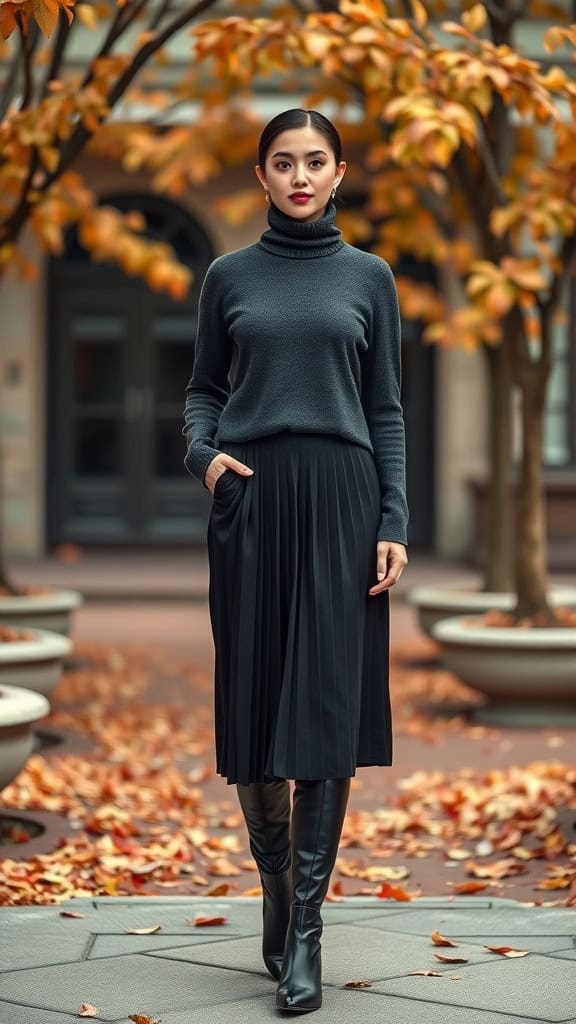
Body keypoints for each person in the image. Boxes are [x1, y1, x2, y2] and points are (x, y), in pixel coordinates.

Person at [182, 108, 409, 1014]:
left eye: (316, 161)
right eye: (285, 163)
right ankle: (273, 892)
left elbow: (385, 408)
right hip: (252, 500)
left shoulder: (371, 279)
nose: (301, 176)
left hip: (344, 503)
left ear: (340, 172)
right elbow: (202, 389)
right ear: (263, 176)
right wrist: (205, 459)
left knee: (323, 708)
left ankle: (306, 929)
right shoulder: (227, 277)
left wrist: (394, 517)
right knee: (254, 708)